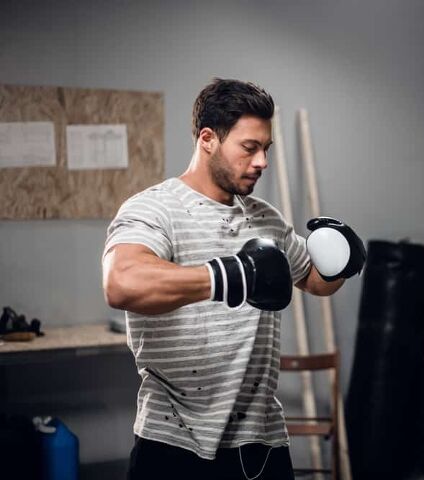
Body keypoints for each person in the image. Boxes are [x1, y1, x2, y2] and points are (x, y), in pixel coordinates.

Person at [101, 78, 366, 480]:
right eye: (249, 148)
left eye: (266, 149)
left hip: (260, 441)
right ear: (208, 138)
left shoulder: (265, 218)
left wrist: (338, 262)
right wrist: (229, 275)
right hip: (172, 442)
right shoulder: (155, 209)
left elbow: (314, 281)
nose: (262, 161)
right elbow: (122, 281)